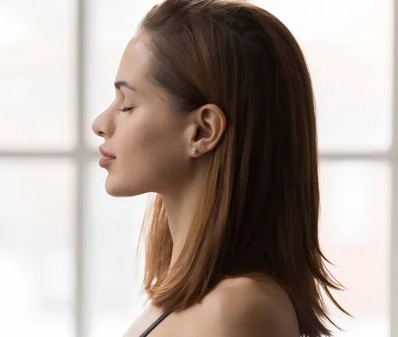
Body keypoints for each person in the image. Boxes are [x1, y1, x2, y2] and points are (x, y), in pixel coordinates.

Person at [91, 0, 349, 336]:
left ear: (203, 130)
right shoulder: (186, 300)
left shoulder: (237, 308)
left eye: (126, 105)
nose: (100, 123)